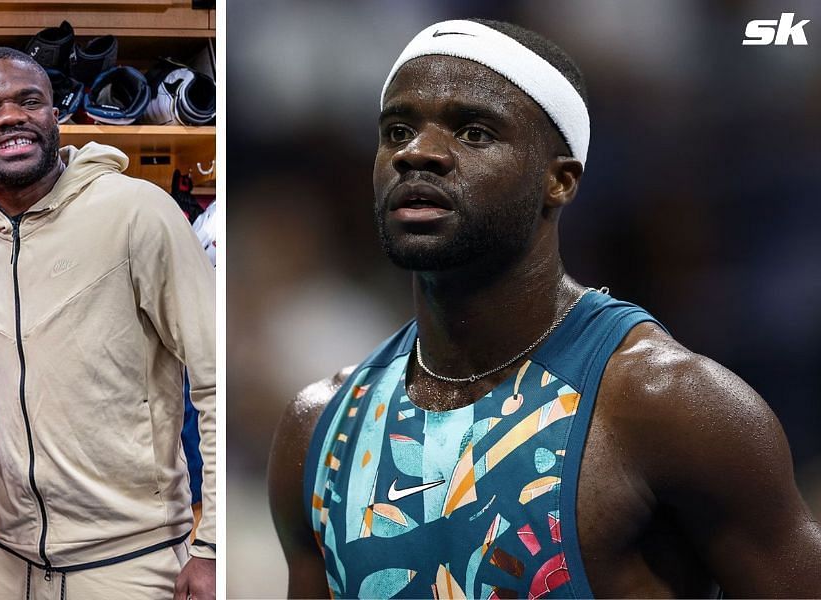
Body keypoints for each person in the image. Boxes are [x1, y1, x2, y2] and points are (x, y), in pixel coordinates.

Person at [268, 18, 821, 598]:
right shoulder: (319, 432)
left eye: (474, 133)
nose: (418, 153)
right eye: (397, 130)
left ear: (559, 180)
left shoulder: (669, 406)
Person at [0, 47, 216, 600]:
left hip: (126, 561)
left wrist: (213, 546)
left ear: (55, 114)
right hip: (1, 557)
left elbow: (221, 378)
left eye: (30, 101)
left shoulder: (138, 212)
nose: (11, 117)